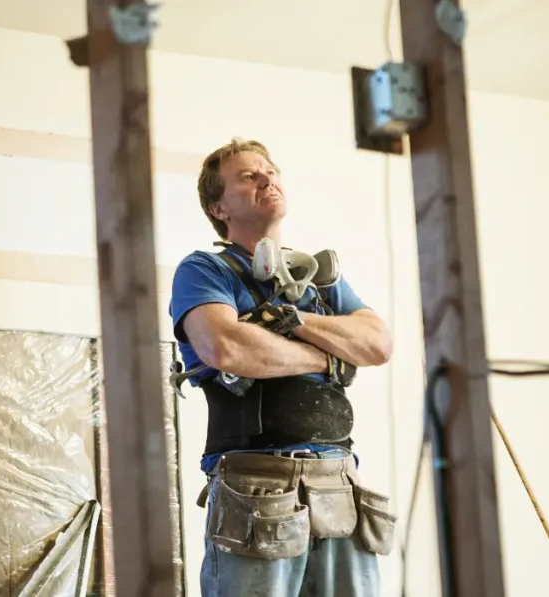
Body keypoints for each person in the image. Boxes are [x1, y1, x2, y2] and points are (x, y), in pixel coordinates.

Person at [169, 138, 396, 597]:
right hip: (256, 487)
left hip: (337, 483)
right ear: (219, 208)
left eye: (270, 171)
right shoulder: (205, 271)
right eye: (248, 176)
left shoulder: (320, 279)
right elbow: (226, 346)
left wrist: (292, 320)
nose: (267, 179)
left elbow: (377, 344)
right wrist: (330, 358)